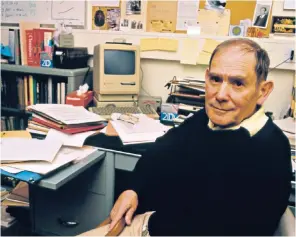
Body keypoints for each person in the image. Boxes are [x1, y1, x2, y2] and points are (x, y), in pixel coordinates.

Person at [80, 38, 292, 236]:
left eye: (237, 83)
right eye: (215, 79)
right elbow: (159, 151)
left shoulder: (272, 152)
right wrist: (133, 188)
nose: (220, 95)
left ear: (263, 91)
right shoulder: (206, 120)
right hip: (150, 220)